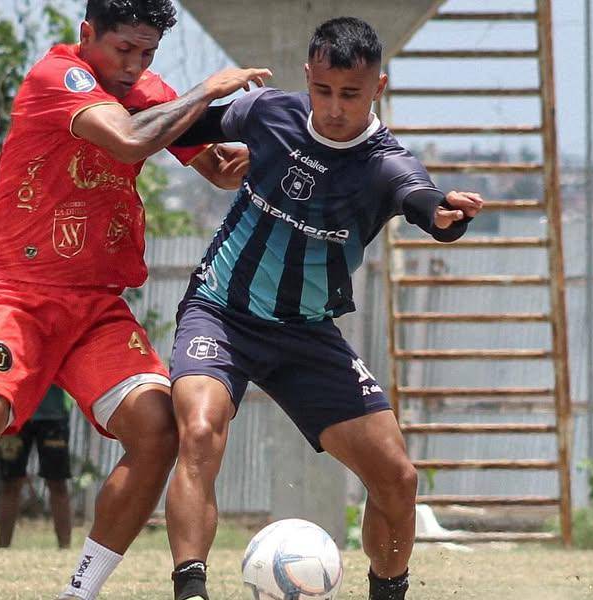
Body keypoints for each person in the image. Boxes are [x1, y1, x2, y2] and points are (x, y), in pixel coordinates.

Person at [0, 0, 270, 597]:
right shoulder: (57, 76)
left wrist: (242, 160)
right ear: (87, 33)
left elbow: (215, 167)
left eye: (147, 53)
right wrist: (207, 90)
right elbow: (124, 139)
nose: (134, 65)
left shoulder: (150, 90)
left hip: (95, 307)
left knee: (158, 431)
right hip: (19, 298)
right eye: (123, 49)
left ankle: (79, 593)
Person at [162, 17, 485, 600]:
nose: (335, 108)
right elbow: (180, 120)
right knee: (202, 432)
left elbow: (420, 198)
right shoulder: (267, 113)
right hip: (220, 311)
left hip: (304, 335)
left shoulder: (384, 164)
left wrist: (444, 216)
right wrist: (197, 140)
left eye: (352, 95)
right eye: (324, 91)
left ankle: (388, 591)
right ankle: (191, 591)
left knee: (398, 479)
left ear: (378, 87)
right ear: (308, 77)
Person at [0, 385, 73, 549]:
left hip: (54, 413)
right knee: (10, 481)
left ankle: (65, 547)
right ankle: (3, 547)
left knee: (58, 482)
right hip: (16, 412)